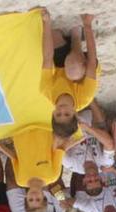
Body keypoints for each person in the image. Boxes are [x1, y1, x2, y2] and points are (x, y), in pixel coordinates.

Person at [42, 11, 99, 139]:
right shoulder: (85, 97)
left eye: (58, 114)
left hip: (61, 66)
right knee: (73, 70)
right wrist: (87, 25)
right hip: (81, 66)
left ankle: (66, 44)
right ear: (75, 113)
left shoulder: (46, 91)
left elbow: (47, 58)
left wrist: (46, 23)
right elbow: (91, 61)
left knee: (53, 34)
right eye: (67, 114)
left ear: (53, 113)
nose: (62, 110)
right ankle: (76, 39)